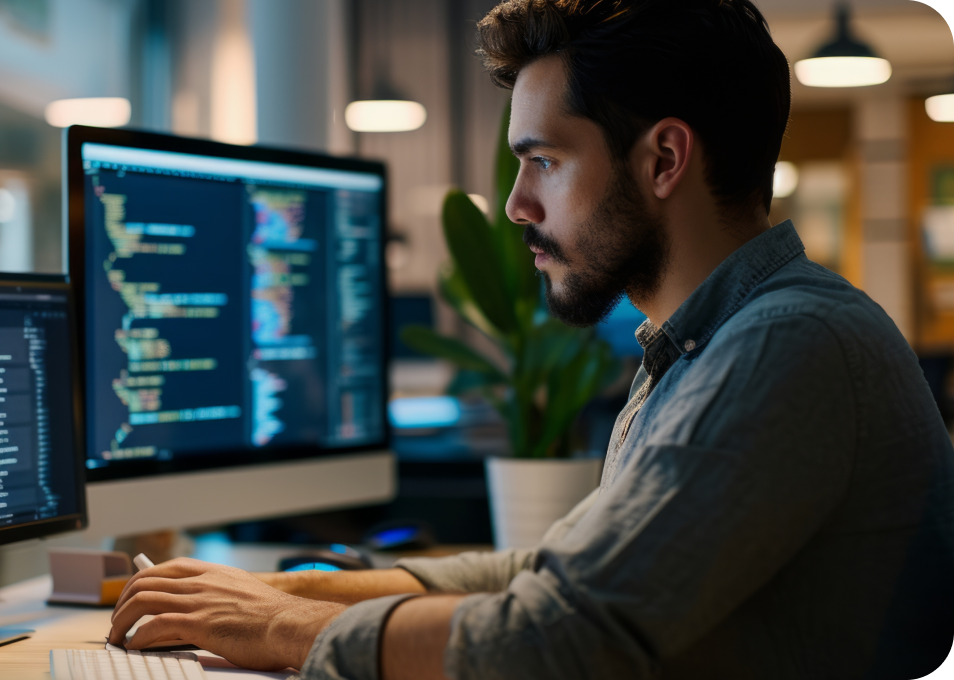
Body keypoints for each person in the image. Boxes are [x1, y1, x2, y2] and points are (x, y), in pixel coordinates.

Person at [108, 0, 954, 677]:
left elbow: (557, 635)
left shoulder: (787, 342)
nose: (516, 204)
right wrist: (280, 588)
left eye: (542, 159)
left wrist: (289, 629)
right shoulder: (698, 347)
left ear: (664, 160)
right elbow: (554, 573)